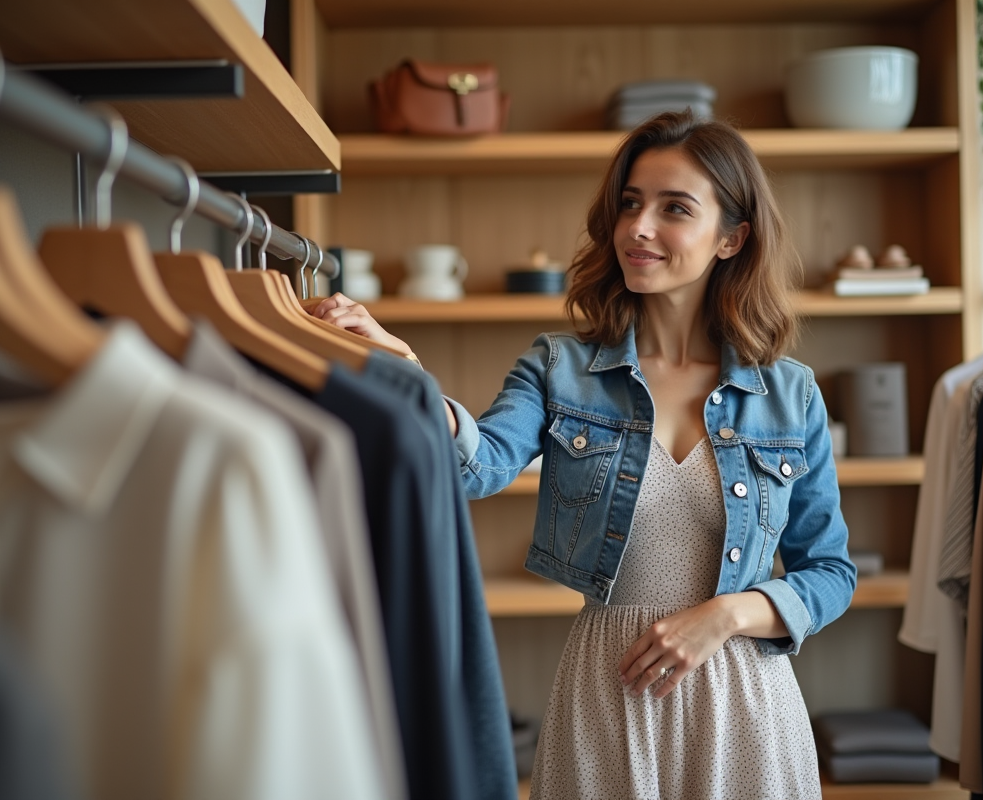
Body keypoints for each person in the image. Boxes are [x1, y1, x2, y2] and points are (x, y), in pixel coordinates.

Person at [312, 110, 857, 799]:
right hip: (610, 690)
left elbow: (831, 571)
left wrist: (726, 615)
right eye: (629, 204)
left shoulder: (791, 395)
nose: (639, 227)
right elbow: (475, 468)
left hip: (742, 700)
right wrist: (407, 373)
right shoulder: (558, 369)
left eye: (674, 208)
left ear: (731, 238)